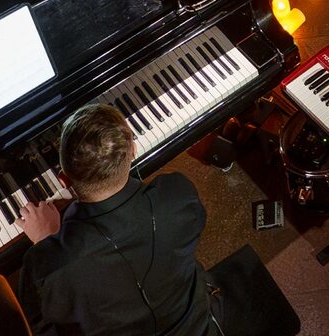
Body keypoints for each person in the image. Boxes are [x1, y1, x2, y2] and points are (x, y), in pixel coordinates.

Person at [16, 104, 216, 336]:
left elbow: (40, 328)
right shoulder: (177, 196)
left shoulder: (48, 267)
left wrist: (47, 242)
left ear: (63, 180)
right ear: (133, 150)